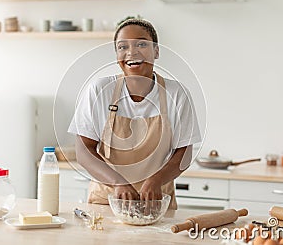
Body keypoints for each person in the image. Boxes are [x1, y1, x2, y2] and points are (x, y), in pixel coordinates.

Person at [68, 18, 201, 209]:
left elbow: (184, 153)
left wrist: (156, 181)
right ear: (117, 55)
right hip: (106, 202)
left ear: (156, 51)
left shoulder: (176, 94)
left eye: (141, 44)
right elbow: (83, 152)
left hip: (157, 202)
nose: (132, 52)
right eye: (123, 47)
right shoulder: (99, 90)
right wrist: (118, 183)